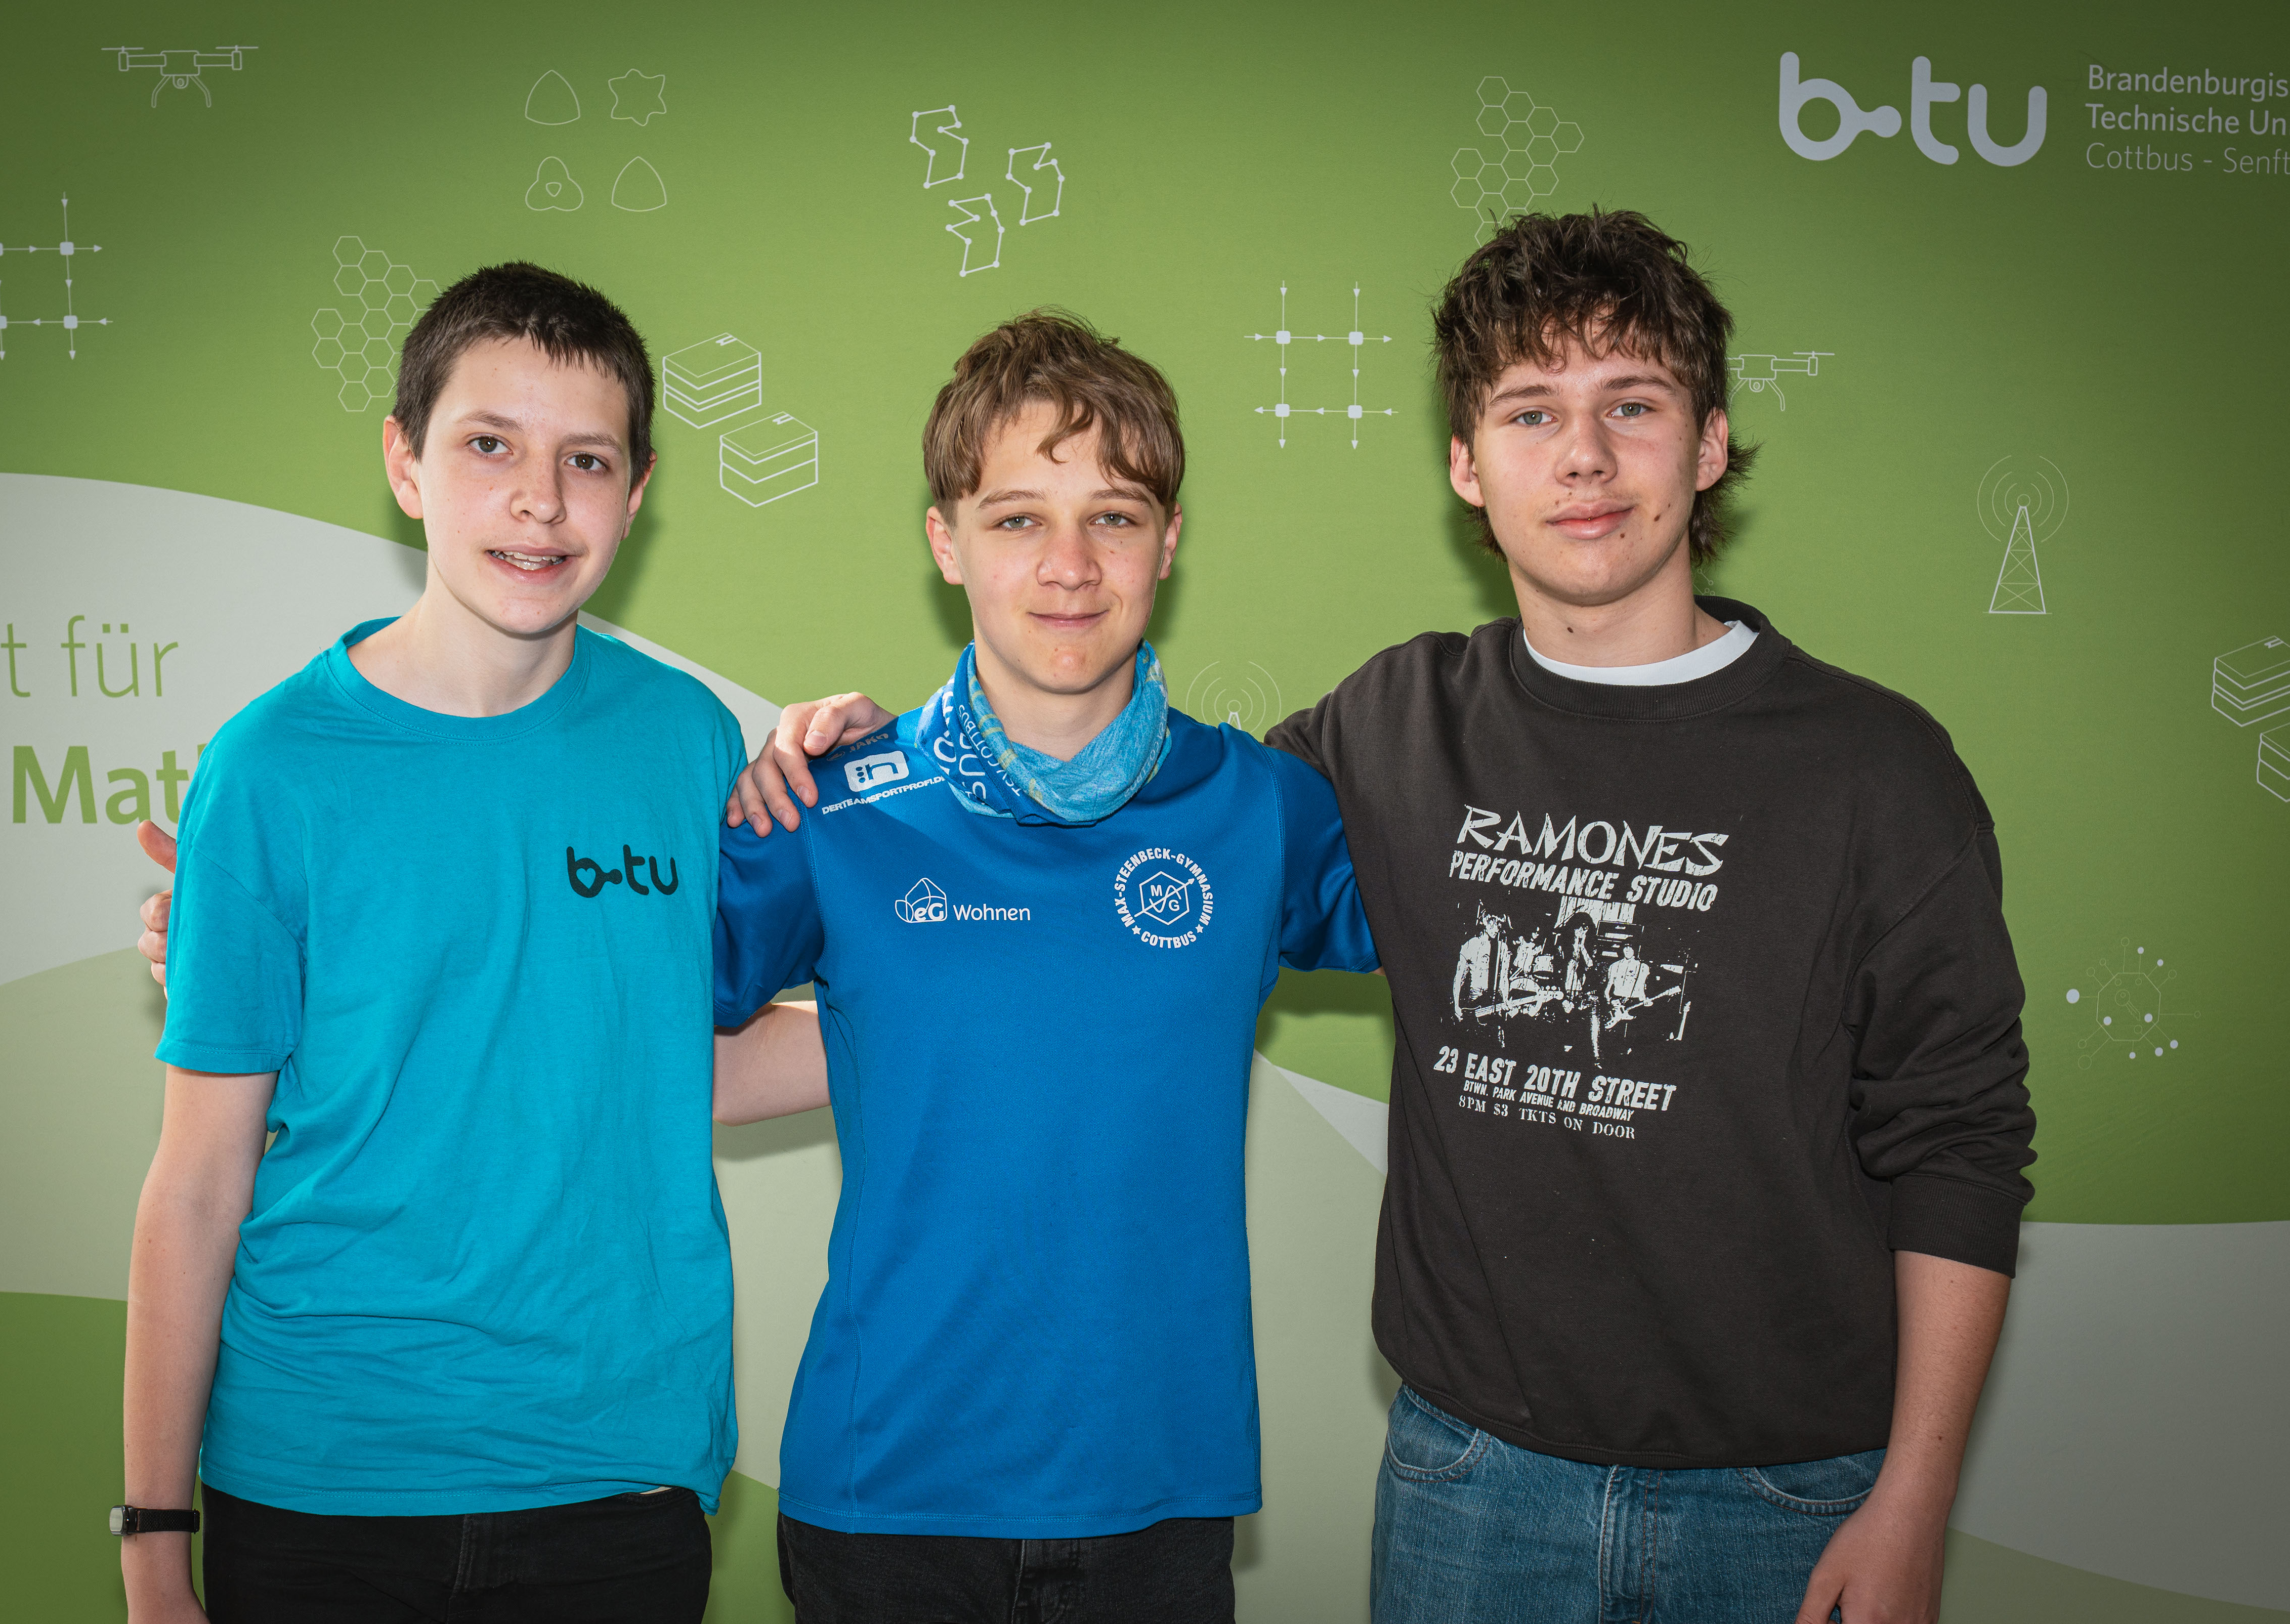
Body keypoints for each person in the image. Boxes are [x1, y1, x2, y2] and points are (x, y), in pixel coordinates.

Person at [742, 210, 2036, 1624]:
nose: (1585, 457)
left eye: (1634, 405)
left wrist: (1916, 1499)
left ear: (1710, 441)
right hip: (1470, 1488)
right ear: (1468, 463)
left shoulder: (1870, 769)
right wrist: (858, 767)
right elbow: (1044, 908)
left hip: (1786, 1494)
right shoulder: (1386, 731)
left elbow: (1960, 1138)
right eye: (1532, 411)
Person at [118, 262, 820, 1624]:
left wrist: (962, 1000)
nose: (540, 501)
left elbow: (685, 1059)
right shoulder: (269, 767)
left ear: (638, 489)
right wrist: (153, 1545)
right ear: (406, 462)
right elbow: (197, 1181)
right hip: (322, 1480)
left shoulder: (686, 742)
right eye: (489, 445)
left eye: (587, 459)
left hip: (617, 1474)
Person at [712, 311, 1378, 1620]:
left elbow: (1485, 933)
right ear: (945, 541)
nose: (1069, 565)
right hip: (888, 1495)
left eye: (1113, 517)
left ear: (1169, 542)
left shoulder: (1261, 809)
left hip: (1158, 1495)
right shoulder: (827, 804)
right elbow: (623, 1031)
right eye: (1018, 518)